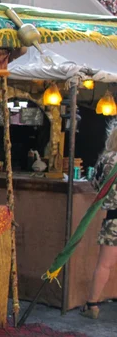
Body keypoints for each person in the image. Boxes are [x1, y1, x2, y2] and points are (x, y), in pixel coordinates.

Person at [81, 120, 117, 319]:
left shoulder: (107, 158)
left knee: (105, 264)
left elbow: (96, 184)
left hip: (114, 219)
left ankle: (92, 305)